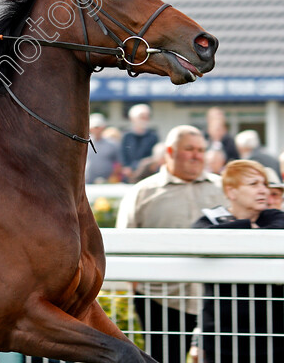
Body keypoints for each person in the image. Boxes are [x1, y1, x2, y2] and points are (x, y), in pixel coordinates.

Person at [115, 125, 225, 363]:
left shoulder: (223, 188)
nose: (197, 155)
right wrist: (137, 288)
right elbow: (125, 245)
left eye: (200, 149)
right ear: (170, 151)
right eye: (189, 149)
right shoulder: (142, 193)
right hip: (160, 298)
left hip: (216, 300)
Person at [192, 160, 284, 363]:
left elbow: (277, 233)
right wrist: (249, 227)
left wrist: (236, 230)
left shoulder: (275, 216)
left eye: (264, 184)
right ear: (231, 192)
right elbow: (200, 238)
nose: (263, 191)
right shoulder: (211, 218)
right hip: (220, 336)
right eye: (253, 185)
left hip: (271, 336)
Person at [119, 104, 159, 181]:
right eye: (141, 117)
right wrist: (126, 168)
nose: (144, 119)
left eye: (146, 117)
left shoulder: (153, 136)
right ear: (132, 118)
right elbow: (122, 154)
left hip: (147, 175)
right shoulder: (126, 136)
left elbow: (154, 156)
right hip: (129, 176)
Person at [84, 113, 122, 183]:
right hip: (87, 181)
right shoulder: (84, 144)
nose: (97, 130)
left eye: (99, 127)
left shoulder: (112, 144)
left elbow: (118, 163)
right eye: (95, 127)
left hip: (107, 182)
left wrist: (112, 177)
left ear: (103, 128)